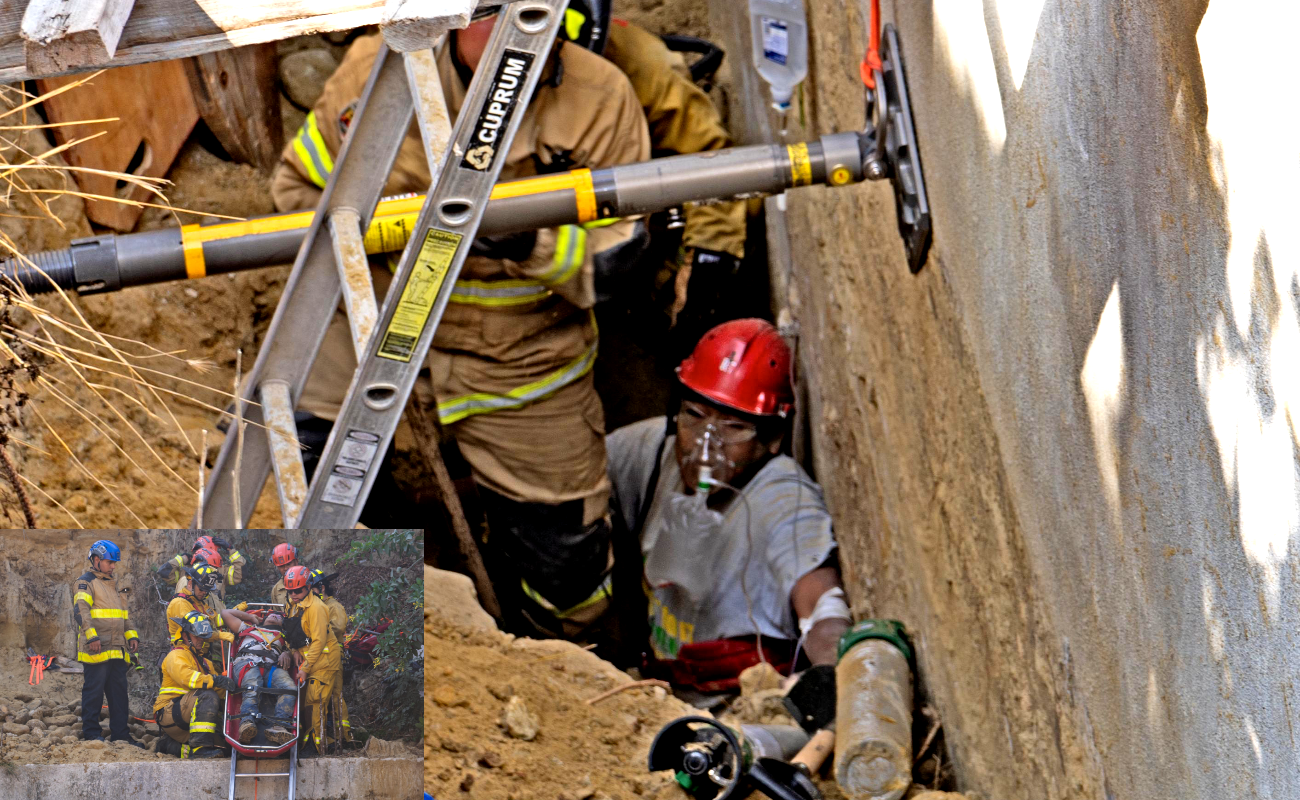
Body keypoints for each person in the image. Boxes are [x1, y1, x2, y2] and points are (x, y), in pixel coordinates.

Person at [272, 5, 652, 636]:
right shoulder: (378, 71)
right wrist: (392, 229)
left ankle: (550, 669)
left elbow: (621, 265)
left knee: (568, 573)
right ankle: (381, 611)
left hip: (522, 361)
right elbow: (293, 194)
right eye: (498, 13)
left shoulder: (599, 99)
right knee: (300, 461)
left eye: (546, 18)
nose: (526, 36)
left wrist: (528, 241)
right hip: (374, 325)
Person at [605, 319, 852, 694]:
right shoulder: (655, 451)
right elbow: (571, 481)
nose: (704, 446)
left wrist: (832, 673)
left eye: (733, 428)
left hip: (725, 708)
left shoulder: (781, 498)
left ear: (772, 438)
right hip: (655, 684)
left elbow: (820, 601)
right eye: (695, 415)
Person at [597, 17, 749, 357]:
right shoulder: (451, 95)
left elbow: (711, 161)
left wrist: (706, 265)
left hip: (628, 254)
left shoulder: (628, 59)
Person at [73, 539, 145, 747]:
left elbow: (124, 616)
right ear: (96, 560)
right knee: (93, 693)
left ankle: (121, 735)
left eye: (114, 563)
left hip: (117, 649)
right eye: (109, 562)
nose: (113, 566)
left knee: (119, 694)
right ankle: (91, 734)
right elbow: (81, 611)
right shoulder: (85, 583)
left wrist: (131, 635)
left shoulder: (114, 585)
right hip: (96, 647)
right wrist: (91, 636)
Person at [153, 610, 240, 758]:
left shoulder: (205, 663)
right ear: (185, 635)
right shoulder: (176, 655)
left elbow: (218, 690)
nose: (200, 641)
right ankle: (200, 747)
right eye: (196, 636)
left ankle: (171, 746)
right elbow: (187, 678)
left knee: (225, 747)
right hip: (169, 712)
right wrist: (215, 680)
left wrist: (233, 692)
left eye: (202, 637)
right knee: (207, 695)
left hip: (188, 714)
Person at [282, 566, 342, 754]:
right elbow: (291, 633)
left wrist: (306, 667)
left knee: (315, 700)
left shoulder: (317, 608)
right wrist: (293, 650)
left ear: (308, 587)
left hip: (324, 660)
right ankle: (307, 741)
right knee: (305, 703)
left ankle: (316, 747)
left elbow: (319, 641)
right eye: (290, 591)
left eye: (298, 590)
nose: (293, 594)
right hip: (308, 658)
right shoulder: (291, 605)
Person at [220, 609, 298, 746]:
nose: (274, 615)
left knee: (289, 688)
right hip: (246, 663)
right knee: (253, 683)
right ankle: (247, 722)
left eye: (279, 617)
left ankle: (279, 725)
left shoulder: (286, 638)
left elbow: (296, 650)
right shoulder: (247, 628)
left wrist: (288, 654)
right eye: (271, 615)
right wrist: (250, 616)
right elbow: (225, 613)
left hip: (271, 667)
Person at [308, 568, 353, 744]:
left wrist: (318, 631)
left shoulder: (334, 606)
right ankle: (329, 737)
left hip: (333, 655)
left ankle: (345, 736)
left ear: (321, 587)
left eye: (311, 589)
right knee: (323, 697)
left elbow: (339, 627)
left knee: (335, 695)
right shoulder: (317, 606)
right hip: (320, 656)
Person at [166, 564, 234, 664]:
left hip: (198, 653)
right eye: (201, 589)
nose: (204, 593)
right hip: (184, 655)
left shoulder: (198, 601)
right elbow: (195, 631)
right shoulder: (180, 603)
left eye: (207, 591)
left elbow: (215, 620)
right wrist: (219, 635)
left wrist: (236, 612)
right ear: (190, 584)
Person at [158, 535, 246, 602]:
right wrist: (183, 558)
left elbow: (241, 574)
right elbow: (164, 571)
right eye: (196, 551)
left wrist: (230, 550)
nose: (197, 553)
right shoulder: (187, 571)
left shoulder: (221, 571)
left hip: (215, 617)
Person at [269, 543, 299, 608]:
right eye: (281, 566)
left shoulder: (309, 581)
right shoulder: (276, 589)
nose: (285, 568)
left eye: (289, 564)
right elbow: (277, 614)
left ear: (296, 561)